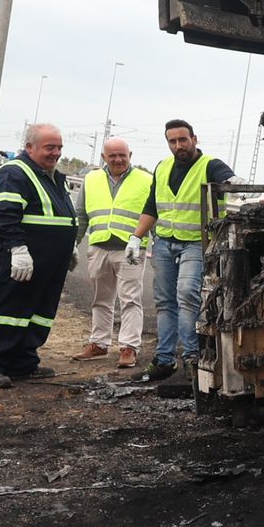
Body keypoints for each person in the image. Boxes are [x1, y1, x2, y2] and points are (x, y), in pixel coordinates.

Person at [0, 123, 77, 388]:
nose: (56, 153)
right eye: (50, 147)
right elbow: (3, 214)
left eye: (59, 147)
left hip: (49, 262)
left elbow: (56, 213)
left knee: (38, 313)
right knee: (8, 311)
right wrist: (17, 249)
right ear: (29, 147)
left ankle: (22, 362)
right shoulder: (14, 173)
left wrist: (69, 245)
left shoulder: (52, 175)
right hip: (20, 258)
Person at [132, 119, 234, 382]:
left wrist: (235, 185)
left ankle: (192, 358)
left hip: (196, 243)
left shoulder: (210, 165)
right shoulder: (163, 167)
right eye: (173, 141)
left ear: (194, 139)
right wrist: (136, 238)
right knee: (165, 302)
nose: (178, 145)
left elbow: (231, 184)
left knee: (187, 295)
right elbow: (152, 206)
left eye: (183, 140)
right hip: (164, 243)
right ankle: (164, 360)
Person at [70, 137, 155, 369]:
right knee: (101, 299)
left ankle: (129, 347)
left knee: (130, 299)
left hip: (130, 249)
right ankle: (99, 343)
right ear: (103, 157)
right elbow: (81, 215)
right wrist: (73, 245)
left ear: (130, 155)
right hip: (99, 247)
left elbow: (153, 214)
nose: (118, 159)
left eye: (122, 155)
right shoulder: (91, 178)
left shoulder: (146, 180)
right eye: (112, 156)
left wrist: (156, 248)